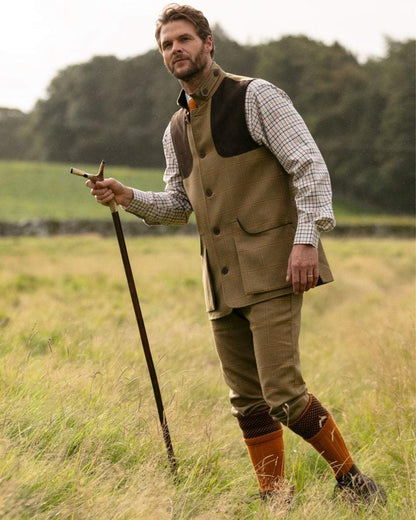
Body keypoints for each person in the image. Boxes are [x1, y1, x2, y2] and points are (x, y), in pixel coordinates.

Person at [87, 3, 386, 509]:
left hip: (277, 267)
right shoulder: (174, 130)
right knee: (247, 402)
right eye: (166, 44)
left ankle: (355, 481)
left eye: (183, 39)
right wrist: (127, 196)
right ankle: (277, 499)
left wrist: (307, 241)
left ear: (208, 43)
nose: (175, 50)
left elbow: (309, 168)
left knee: (284, 396)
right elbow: (179, 206)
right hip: (220, 281)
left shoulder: (256, 96)